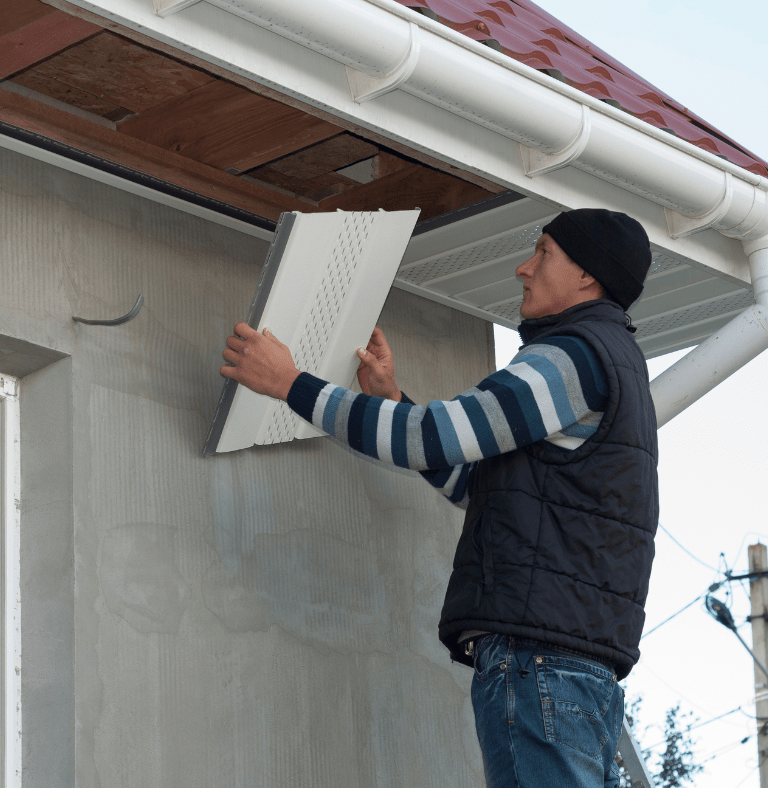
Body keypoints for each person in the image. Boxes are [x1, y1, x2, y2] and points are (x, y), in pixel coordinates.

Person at [220, 208, 658, 788]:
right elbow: (479, 487)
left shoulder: (575, 356)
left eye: (543, 253)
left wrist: (290, 384)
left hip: (541, 662)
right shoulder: (610, 362)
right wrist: (393, 401)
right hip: (573, 667)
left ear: (587, 276)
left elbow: (431, 437)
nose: (524, 269)